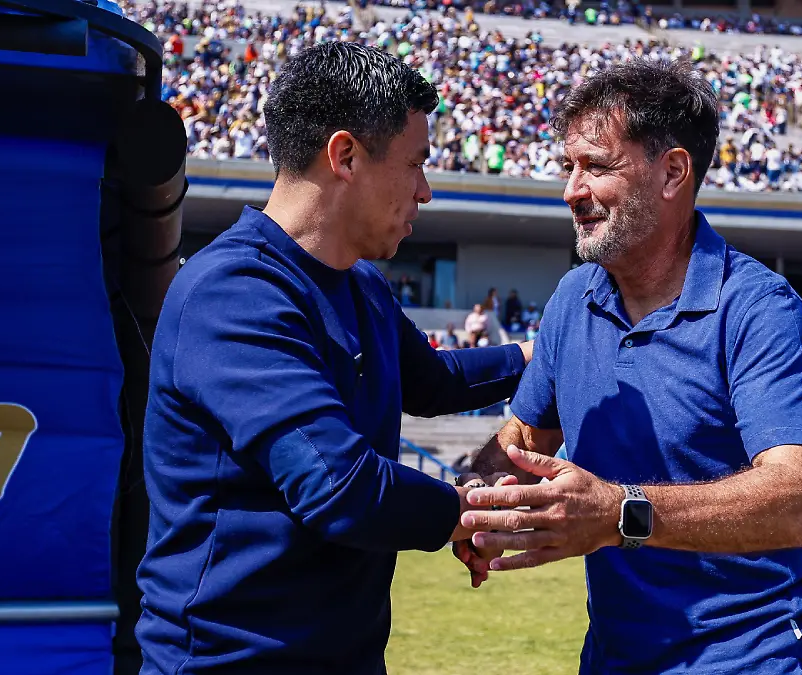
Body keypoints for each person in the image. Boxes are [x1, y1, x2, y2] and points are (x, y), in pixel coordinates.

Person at [135, 42, 532, 675]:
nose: (426, 191)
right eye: (415, 165)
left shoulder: (360, 282)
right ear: (345, 155)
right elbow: (337, 486)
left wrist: (544, 354)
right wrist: (472, 509)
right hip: (232, 661)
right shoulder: (233, 294)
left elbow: (431, 383)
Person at [453, 60, 802, 674]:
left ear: (673, 173)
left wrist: (618, 513)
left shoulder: (755, 306)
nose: (571, 191)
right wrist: (478, 504)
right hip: (614, 657)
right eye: (569, 167)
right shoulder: (573, 298)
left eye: (597, 167)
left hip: (749, 658)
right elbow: (521, 443)